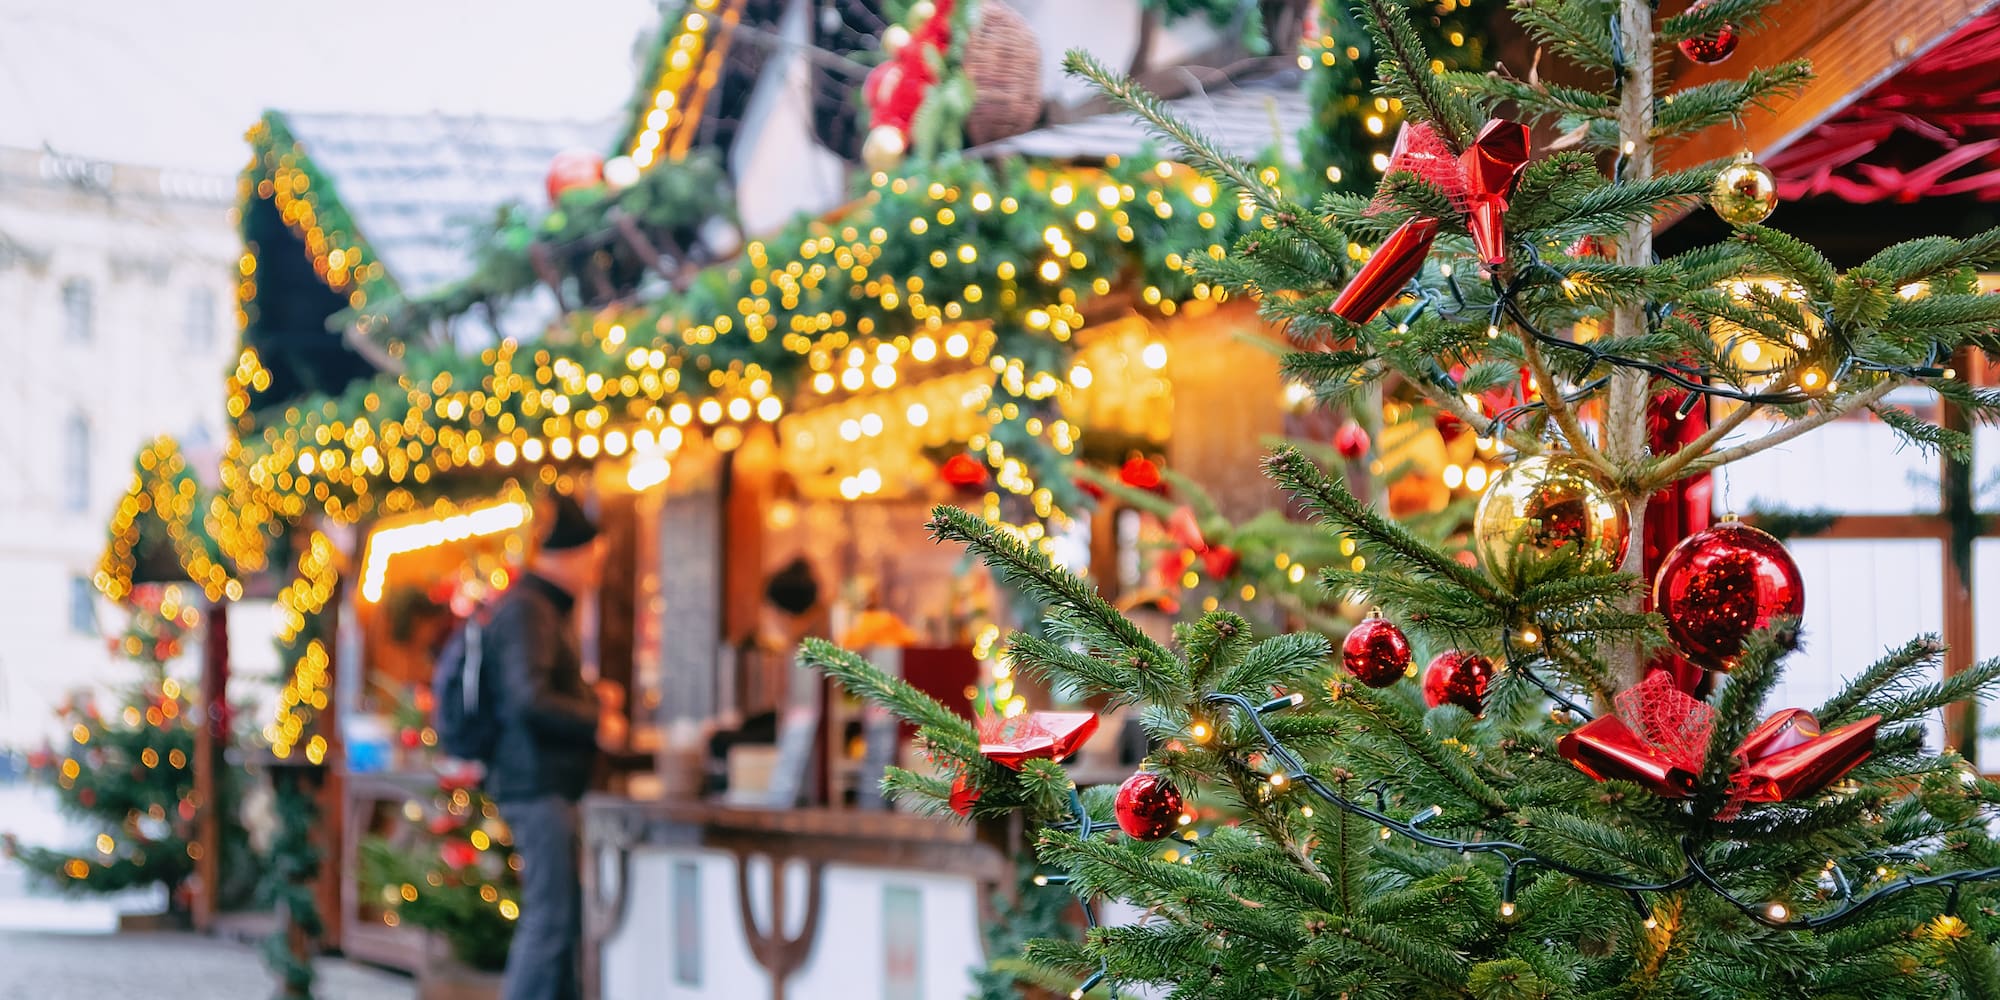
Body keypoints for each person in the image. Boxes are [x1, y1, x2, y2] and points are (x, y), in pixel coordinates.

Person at [485, 490, 604, 1000]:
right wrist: (597, 719)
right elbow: (528, 699)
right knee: (551, 921)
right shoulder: (530, 610)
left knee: (556, 920)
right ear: (573, 556)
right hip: (537, 784)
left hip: (542, 783)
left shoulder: (537, 608)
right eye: (594, 557)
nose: (597, 569)